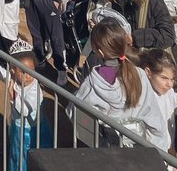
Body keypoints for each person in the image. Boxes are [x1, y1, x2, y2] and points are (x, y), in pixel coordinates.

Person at [70, 16, 167, 148]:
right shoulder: (139, 74)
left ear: (99, 52)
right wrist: (160, 149)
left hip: (108, 148)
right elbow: (152, 114)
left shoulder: (94, 81)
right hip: (139, 146)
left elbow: (75, 110)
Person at [4, 40, 51, 171]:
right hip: (18, 131)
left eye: (30, 70)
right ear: (13, 70)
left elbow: (26, 110)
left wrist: (13, 97)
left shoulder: (35, 87)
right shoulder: (13, 79)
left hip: (32, 133)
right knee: (17, 163)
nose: (27, 75)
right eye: (22, 71)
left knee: (28, 167)